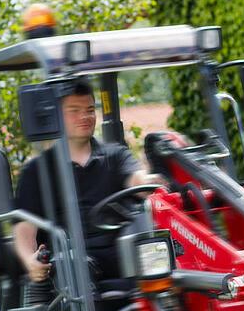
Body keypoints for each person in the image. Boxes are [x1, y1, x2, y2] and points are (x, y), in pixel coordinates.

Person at [11, 82, 157, 286]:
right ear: (56, 116)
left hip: (121, 257)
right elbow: (25, 230)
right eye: (74, 111)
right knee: (74, 265)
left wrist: (151, 181)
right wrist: (30, 261)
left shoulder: (115, 155)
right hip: (69, 273)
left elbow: (137, 180)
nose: (85, 116)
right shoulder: (37, 171)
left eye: (89, 110)